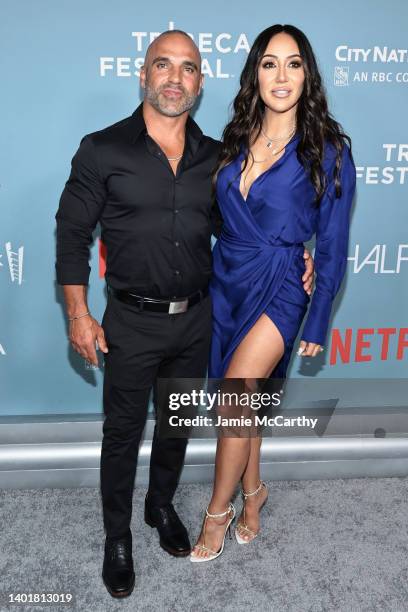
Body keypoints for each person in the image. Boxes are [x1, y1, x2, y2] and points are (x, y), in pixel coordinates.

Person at [55, 29, 314, 596]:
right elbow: (72, 232)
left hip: (198, 317)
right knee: (122, 433)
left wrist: (298, 257)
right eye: (164, 66)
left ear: (199, 83)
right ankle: (117, 536)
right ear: (144, 75)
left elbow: (246, 228)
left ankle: (160, 507)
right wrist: (78, 313)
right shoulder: (102, 149)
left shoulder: (217, 157)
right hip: (131, 320)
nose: (175, 78)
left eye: (188, 68)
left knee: (175, 425)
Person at [190, 24, 356, 562]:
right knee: (245, 404)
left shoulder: (329, 151)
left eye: (292, 63)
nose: (280, 76)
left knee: (238, 394)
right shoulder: (233, 138)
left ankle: (218, 512)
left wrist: (317, 317)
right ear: (254, 74)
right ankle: (255, 492)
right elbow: (220, 216)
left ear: (308, 74)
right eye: (269, 63)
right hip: (227, 278)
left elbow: (331, 244)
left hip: (284, 283)